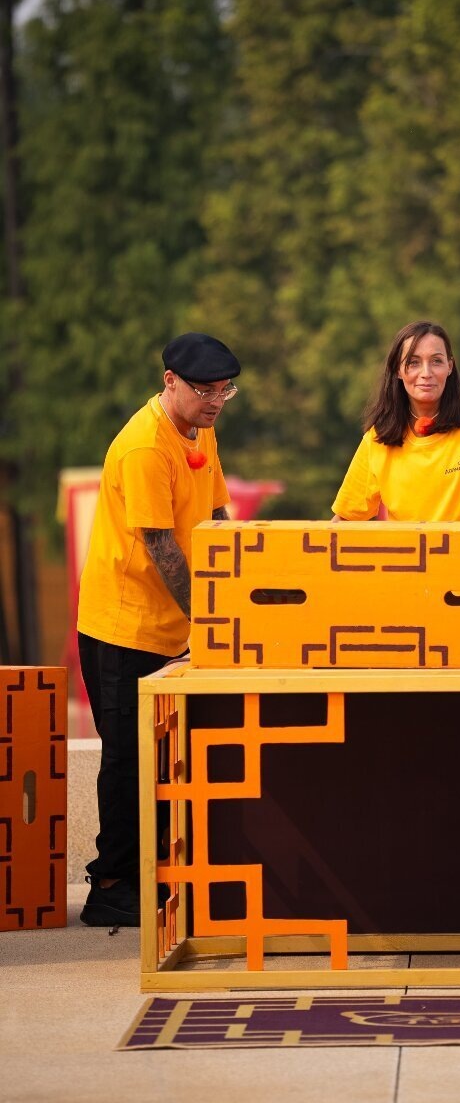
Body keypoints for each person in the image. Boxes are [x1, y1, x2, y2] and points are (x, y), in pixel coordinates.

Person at [77, 332, 241, 927]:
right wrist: (213, 617)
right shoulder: (146, 446)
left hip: (168, 626)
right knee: (128, 760)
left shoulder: (200, 429)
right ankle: (111, 885)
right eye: (205, 390)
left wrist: (241, 580)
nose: (216, 401)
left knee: (167, 758)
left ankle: (159, 874)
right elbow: (160, 545)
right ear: (169, 380)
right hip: (124, 628)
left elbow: (217, 516)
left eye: (225, 390)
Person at [332, 320, 460, 523]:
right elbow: (344, 520)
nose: (426, 373)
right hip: (410, 551)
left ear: (450, 367)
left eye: (436, 361)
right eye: (413, 362)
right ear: (398, 370)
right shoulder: (377, 438)